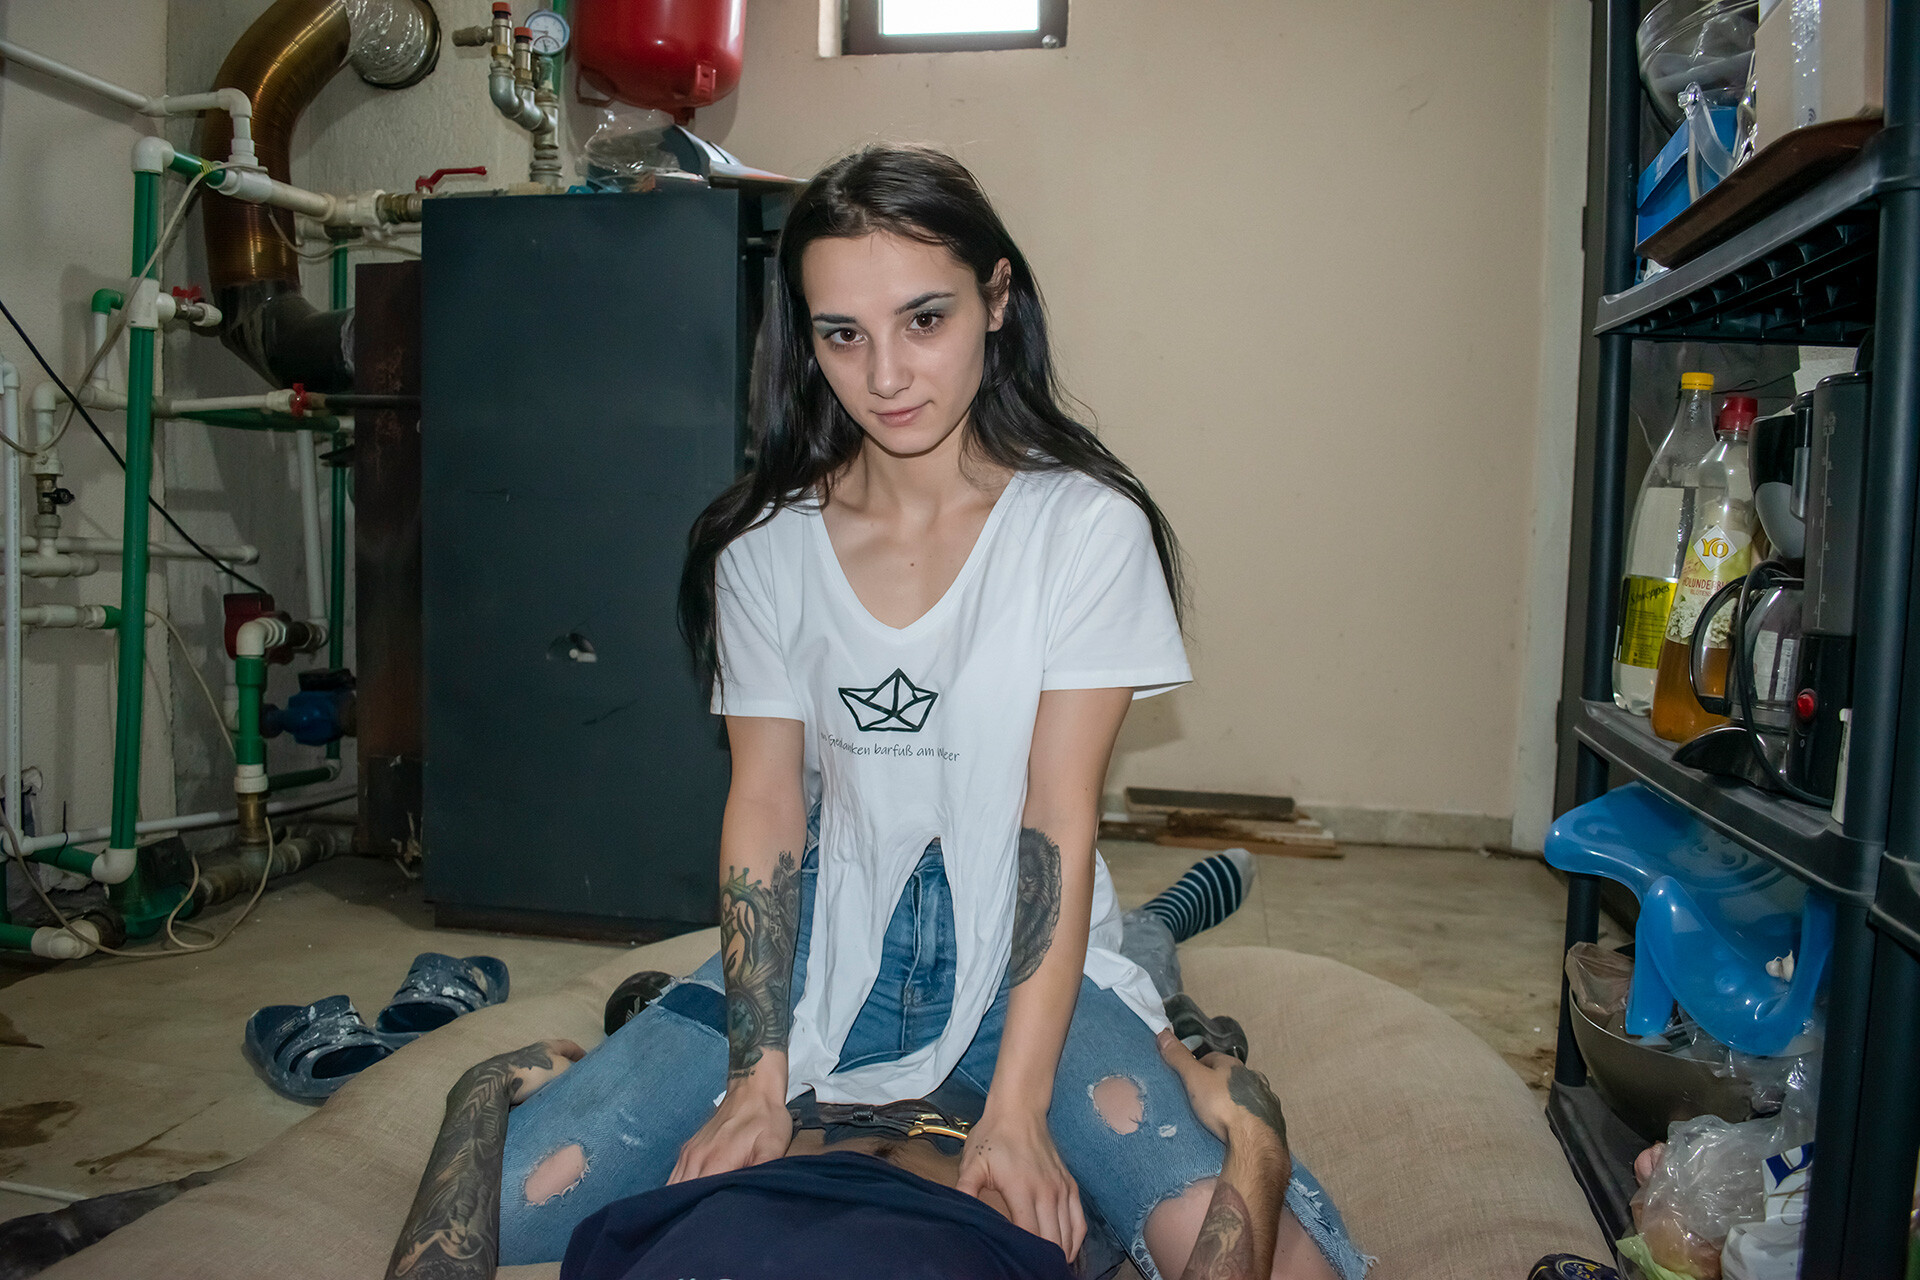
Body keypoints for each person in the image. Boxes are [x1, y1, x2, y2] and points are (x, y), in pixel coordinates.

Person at [492, 144, 1367, 1280]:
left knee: (1275, 1260)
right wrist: (756, 1076)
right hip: (829, 940)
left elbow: (1056, 815)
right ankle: (1158, 928)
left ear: (996, 300)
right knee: (517, 1207)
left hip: (1025, 955)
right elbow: (765, 804)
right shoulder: (762, 544)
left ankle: (1154, 935)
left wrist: (1019, 1109)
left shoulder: (1086, 529)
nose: (887, 374)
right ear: (805, 338)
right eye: (842, 334)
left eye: (924, 319)